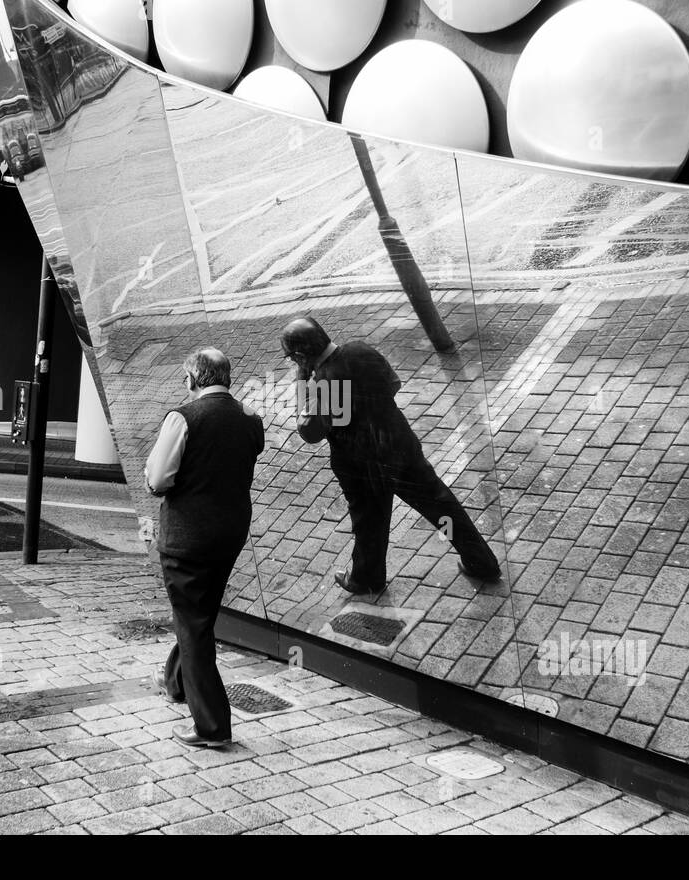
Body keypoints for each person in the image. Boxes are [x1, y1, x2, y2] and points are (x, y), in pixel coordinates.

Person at [281, 316, 502, 595]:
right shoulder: (361, 350)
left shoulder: (323, 385)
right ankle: (481, 561)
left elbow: (309, 432)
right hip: (399, 446)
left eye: (293, 359)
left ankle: (366, 579)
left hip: (362, 467)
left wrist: (303, 382)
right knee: (441, 506)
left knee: (369, 522)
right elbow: (393, 384)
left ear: (301, 355)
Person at [145, 347, 264, 749]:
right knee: (199, 613)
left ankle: (212, 726)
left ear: (195, 378)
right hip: (229, 533)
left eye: (186, 377)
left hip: (188, 538)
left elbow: (158, 479)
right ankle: (176, 683)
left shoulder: (183, 417)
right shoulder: (250, 418)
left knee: (195, 624)